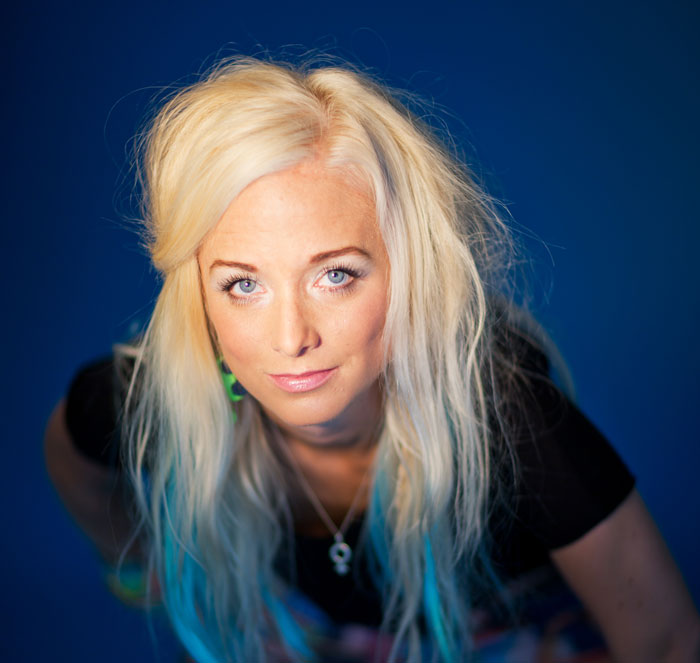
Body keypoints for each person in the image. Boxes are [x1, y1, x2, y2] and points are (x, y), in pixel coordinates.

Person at [44, 56, 700, 662]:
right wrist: (139, 574)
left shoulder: (505, 415)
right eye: (243, 284)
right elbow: (71, 456)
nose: (291, 337)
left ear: (408, 271)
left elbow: (668, 640)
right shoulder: (158, 392)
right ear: (200, 295)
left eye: (336, 275)